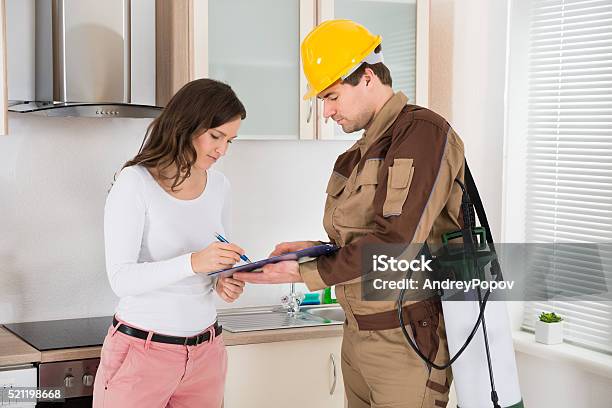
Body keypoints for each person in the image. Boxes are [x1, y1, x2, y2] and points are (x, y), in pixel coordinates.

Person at [235, 20, 465, 408]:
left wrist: (305, 272)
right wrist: (314, 250)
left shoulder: (422, 133)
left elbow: (396, 243)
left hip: (405, 344)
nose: (326, 112)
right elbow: (361, 241)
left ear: (368, 77)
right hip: (357, 336)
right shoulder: (357, 153)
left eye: (332, 97)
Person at [93, 78, 247, 408]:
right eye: (216, 136)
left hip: (206, 354)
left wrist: (224, 281)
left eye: (230, 140)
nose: (222, 150)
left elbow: (216, 261)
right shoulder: (135, 183)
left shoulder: (220, 186)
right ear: (185, 125)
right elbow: (121, 279)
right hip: (142, 354)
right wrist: (193, 262)